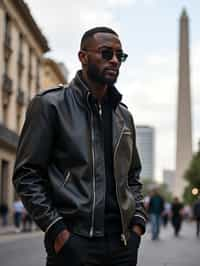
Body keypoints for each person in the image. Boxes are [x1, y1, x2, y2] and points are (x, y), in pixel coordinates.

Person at [13, 27, 147, 266]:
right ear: (83, 57)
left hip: (123, 245)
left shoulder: (123, 116)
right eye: (106, 53)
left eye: (120, 55)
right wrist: (57, 230)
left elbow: (132, 176)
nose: (115, 61)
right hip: (74, 242)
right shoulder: (50, 105)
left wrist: (137, 222)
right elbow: (27, 174)